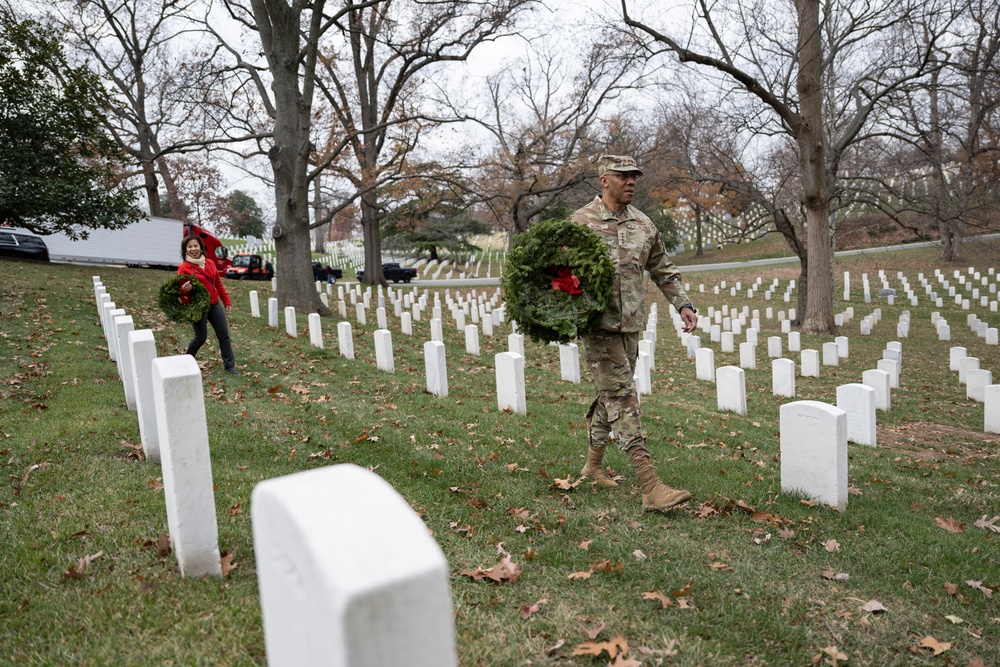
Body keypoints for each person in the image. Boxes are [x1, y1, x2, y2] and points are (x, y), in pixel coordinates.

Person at [572, 155, 698, 513]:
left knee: (608, 395)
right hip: (598, 328)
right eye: (623, 176)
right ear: (604, 180)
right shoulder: (580, 223)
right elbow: (555, 273)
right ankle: (650, 486)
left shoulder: (644, 224)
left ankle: (593, 466)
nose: (631, 181)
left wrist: (684, 304)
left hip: (631, 325)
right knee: (624, 398)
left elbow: (663, 268)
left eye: (635, 177)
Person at [179, 235, 239, 375]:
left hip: (214, 304)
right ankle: (186, 361)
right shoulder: (183, 268)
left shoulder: (210, 263)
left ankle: (229, 365)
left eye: (195, 246)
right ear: (185, 250)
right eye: (190, 247)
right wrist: (184, 290)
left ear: (201, 247)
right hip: (199, 307)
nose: (193, 249)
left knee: (223, 334)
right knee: (200, 337)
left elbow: (217, 283)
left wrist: (226, 300)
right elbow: (182, 295)